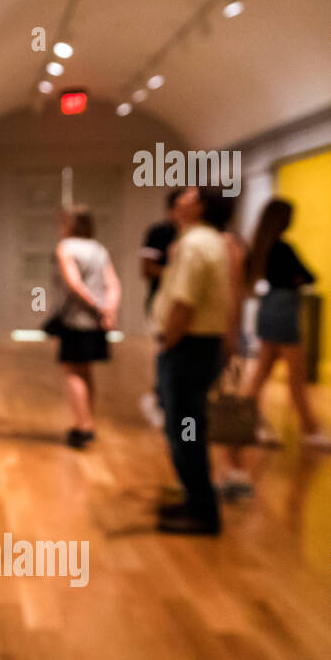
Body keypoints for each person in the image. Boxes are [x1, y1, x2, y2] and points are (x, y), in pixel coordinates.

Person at [152, 185, 230, 534]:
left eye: (188, 196)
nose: (179, 200)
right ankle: (195, 499)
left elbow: (184, 302)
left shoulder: (196, 244)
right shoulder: (205, 240)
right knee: (186, 425)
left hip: (188, 347)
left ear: (201, 206)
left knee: (185, 428)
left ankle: (202, 508)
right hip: (196, 346)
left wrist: (168, 342)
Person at [242, 198, 331, 450]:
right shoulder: (283, 249)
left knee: (262, 372)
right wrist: (296, 278)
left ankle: (248, 422)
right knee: (296, 375)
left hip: (268, 310)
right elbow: (308, 276)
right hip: (284, 313)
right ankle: (311, 430)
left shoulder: (261, 247)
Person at [54, 205, 121, 448]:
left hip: (77, 320)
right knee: (87, 371)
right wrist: (109, 311)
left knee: (72, 371)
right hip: (97, 321)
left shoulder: (66, 248)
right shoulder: (98, 249)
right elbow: (113, 283)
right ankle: (86, 421)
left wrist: (96, 308)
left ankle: (83, 426)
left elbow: (73, 284)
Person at [203, 193, 253, 498]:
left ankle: (234, 472)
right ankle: (223, 472)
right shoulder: (226, 241)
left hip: (220, 333)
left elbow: (233, 292)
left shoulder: (225, 244)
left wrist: (230, 334)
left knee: (223, 405)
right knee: (216, 404)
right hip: (219, 331)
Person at [137, 190, 182, 428]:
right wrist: (176, 273)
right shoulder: (160, 233)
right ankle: (161, 399)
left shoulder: (196, 236)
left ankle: (168, 399)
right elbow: (146, 269)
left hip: (188, 305)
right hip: (162, 301)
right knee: (165, 349)